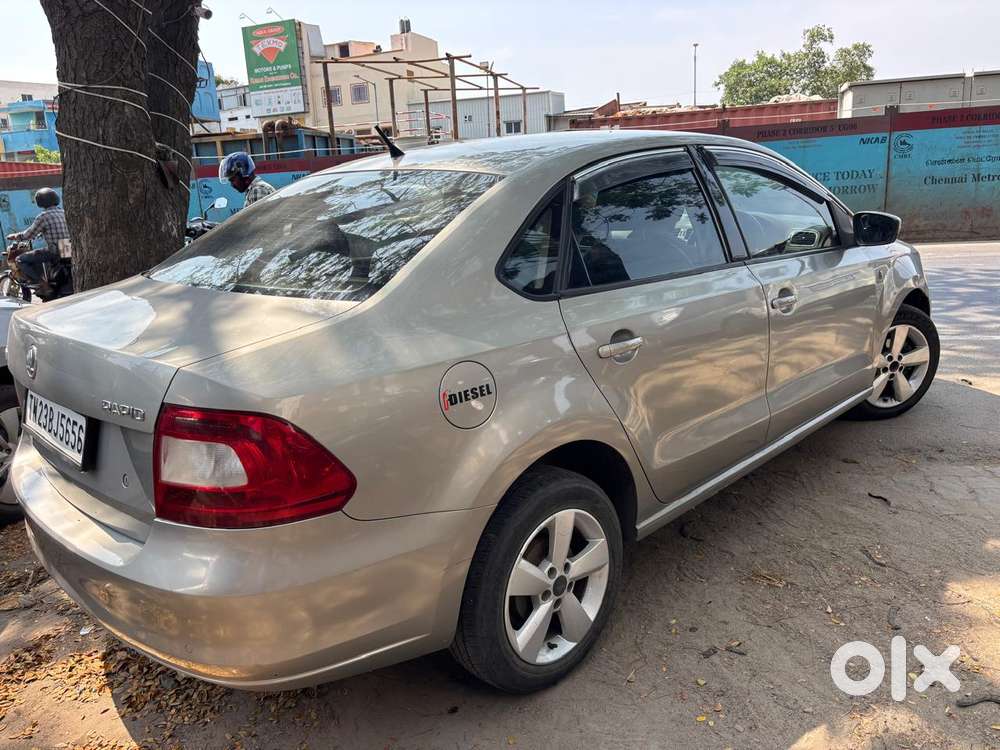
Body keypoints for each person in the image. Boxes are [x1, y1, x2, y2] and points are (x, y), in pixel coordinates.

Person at [6, 188, 71, 290]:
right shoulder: (63, 212)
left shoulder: (43, 216)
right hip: (68, 248)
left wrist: (16, 236)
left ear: (40, 202)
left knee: (20, 259)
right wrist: (41, 234)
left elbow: (28, 235)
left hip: (55, 250)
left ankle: (43, 284)